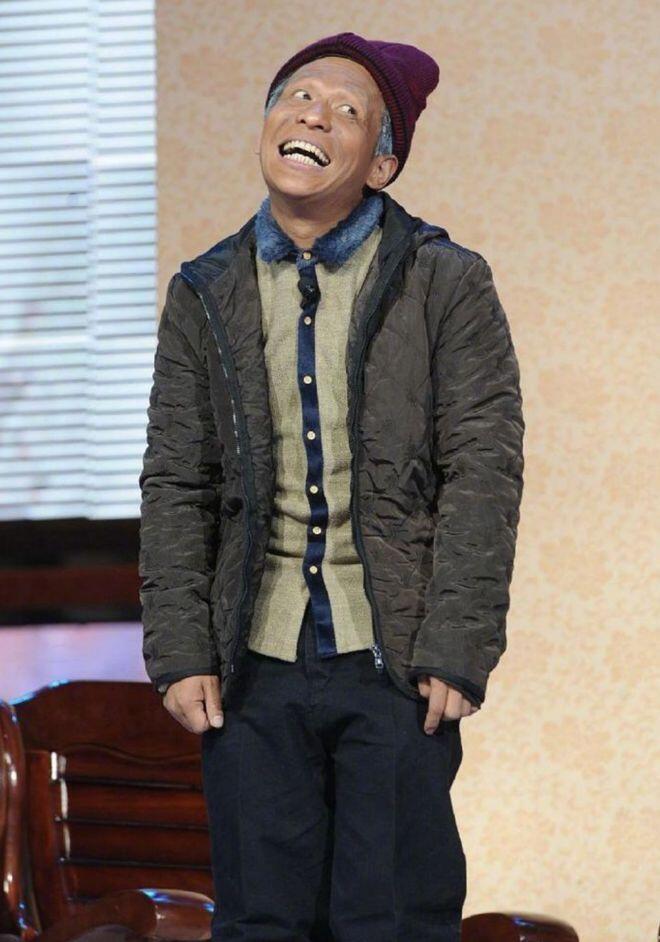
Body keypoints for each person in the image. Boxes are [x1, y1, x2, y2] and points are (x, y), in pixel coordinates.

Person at [139, 30, 525, 942]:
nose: (311, 116)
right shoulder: (205, 290)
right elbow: (176, 478)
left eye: (345, 110)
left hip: (392, 657)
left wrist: (458, 646)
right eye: (296, 96)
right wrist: (180, 649)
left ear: (382, 163)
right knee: (260, 919)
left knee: (390, 916)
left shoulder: (444, 280)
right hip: (251, 662)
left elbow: (484, 466)